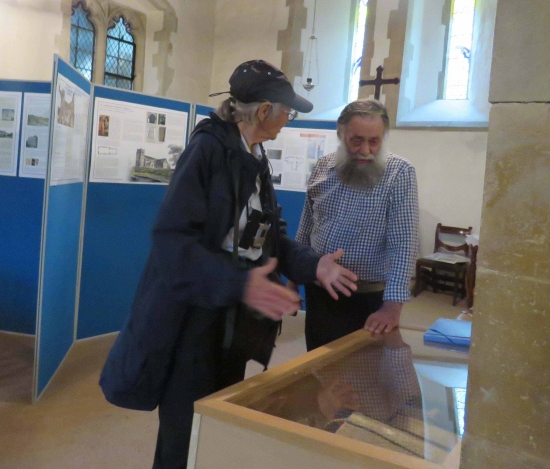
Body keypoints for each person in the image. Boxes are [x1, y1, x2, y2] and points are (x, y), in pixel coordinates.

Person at [100, 60, 358, 469]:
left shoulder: (254, 156)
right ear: (263, 111)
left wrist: (314, 266)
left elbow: (269, 238)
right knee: (183, 437)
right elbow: (172, 243)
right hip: (192, 325)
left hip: (230, 325)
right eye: (286, 110)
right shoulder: (207, 151)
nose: (288, 119)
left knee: (217, 425)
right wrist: (241, 284)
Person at [295, 98, 419, 351]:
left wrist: (392, 307)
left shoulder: (399, 172)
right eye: (356, 140)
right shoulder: (323, 166)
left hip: (367, 298)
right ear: (341, 134)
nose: (365, 150)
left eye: (374, 141)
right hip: (320, 292)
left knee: (363, 379)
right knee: (320, 369)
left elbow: (404, 243)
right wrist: (293, 275)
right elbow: (307, 224)